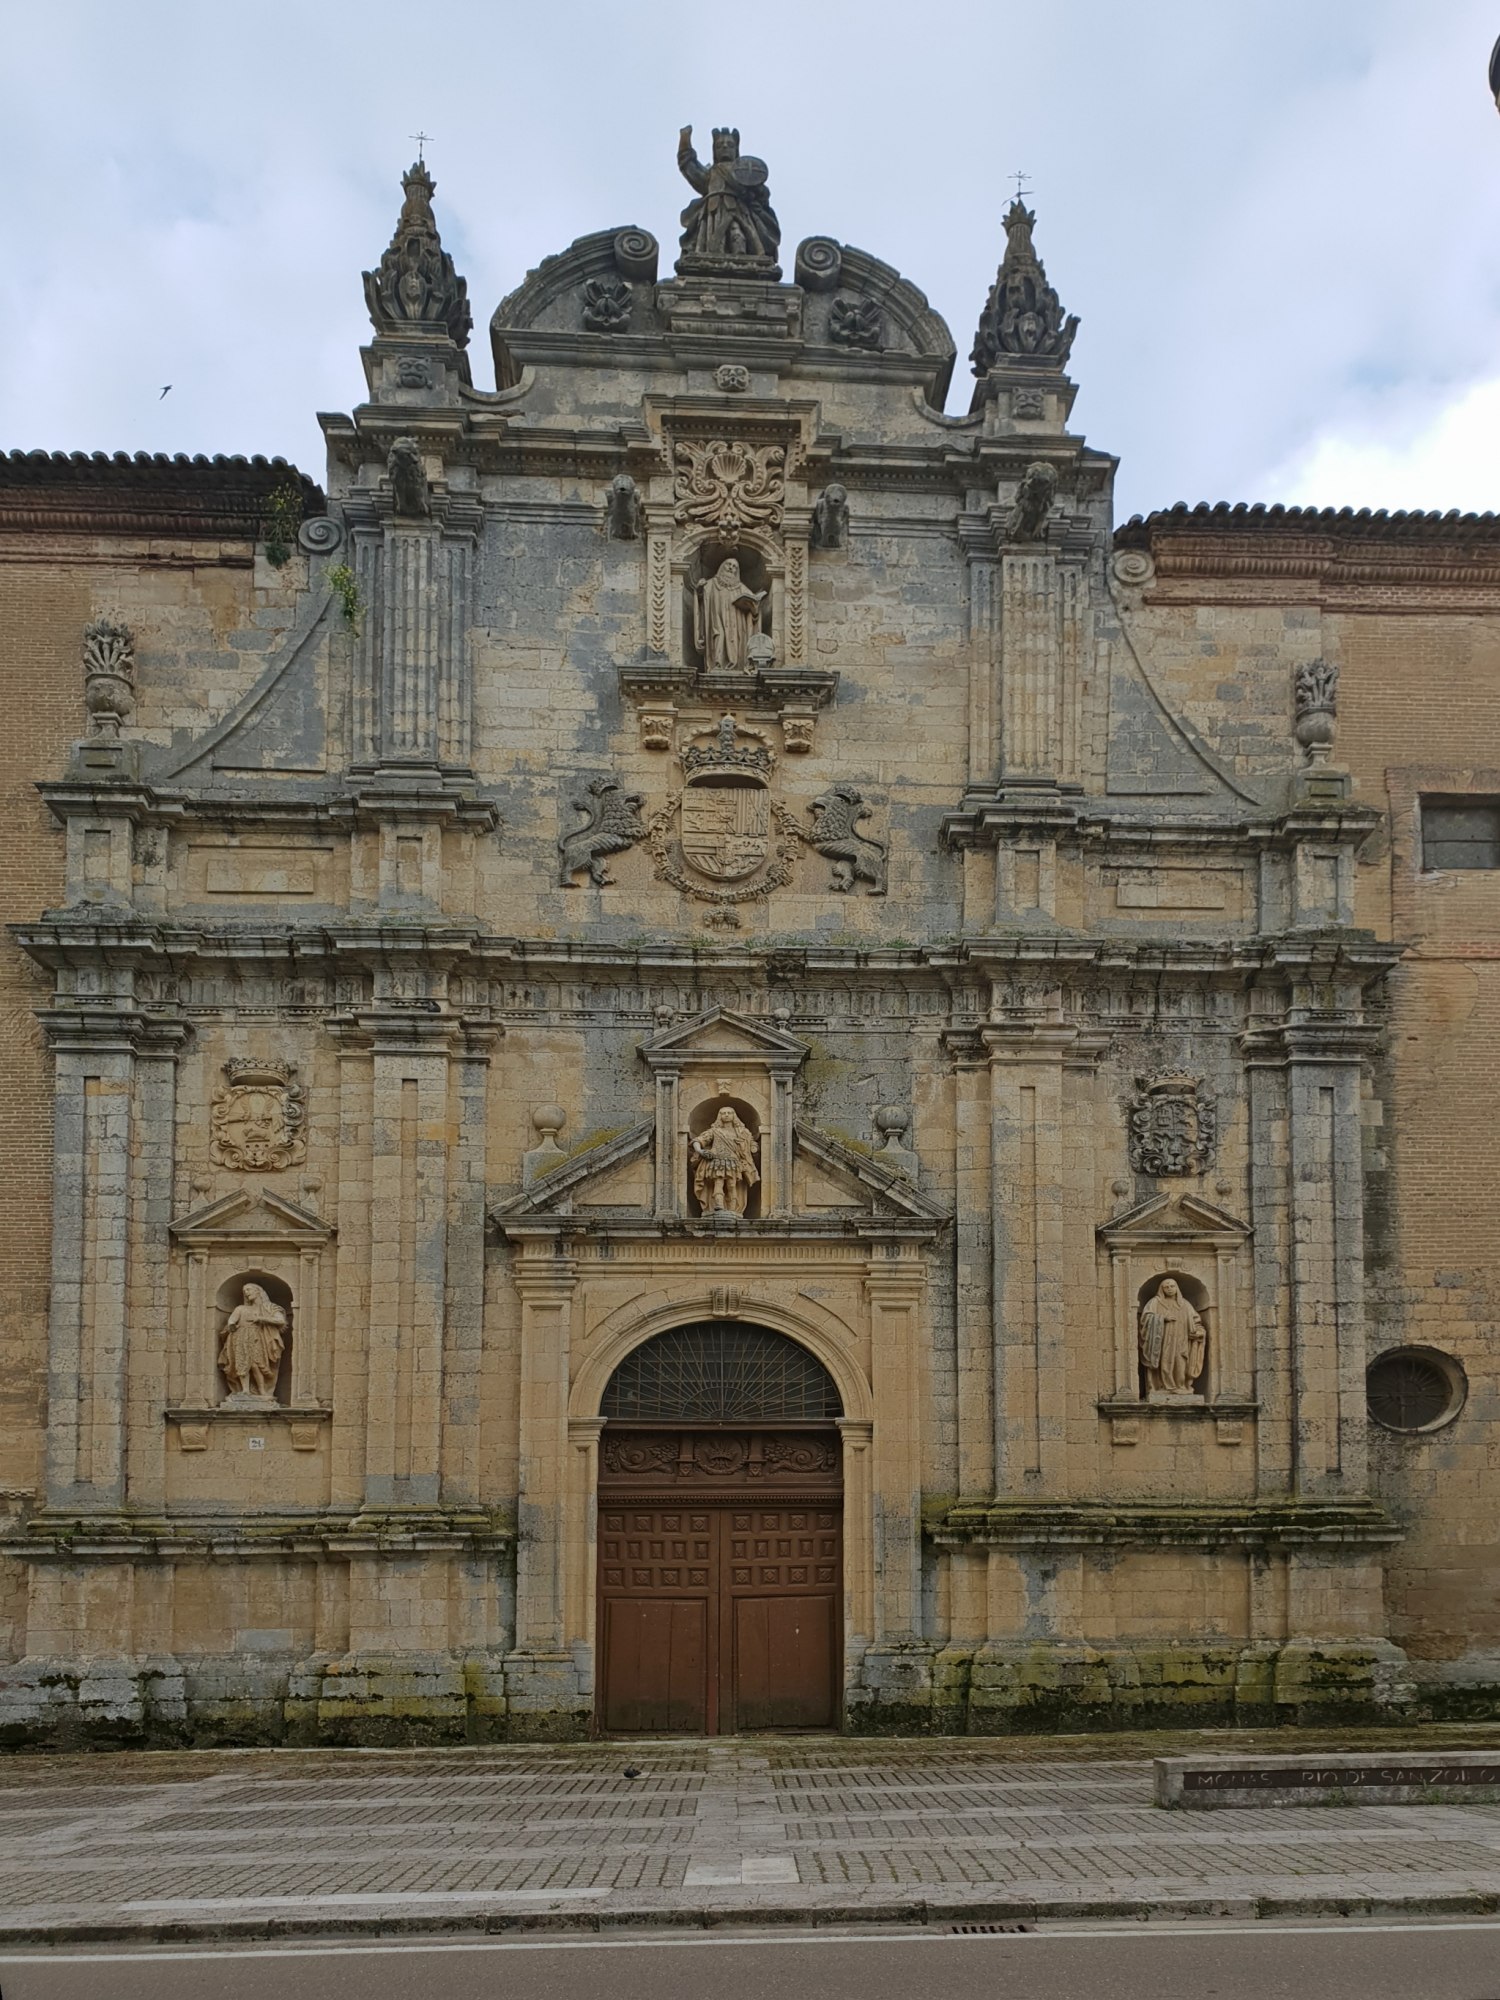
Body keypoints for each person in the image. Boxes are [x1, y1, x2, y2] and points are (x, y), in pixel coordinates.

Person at [677, 126, 780, 264]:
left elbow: (761, 192)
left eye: (730, 145)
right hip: (714, 210)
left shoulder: (742, 172)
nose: (725, 147)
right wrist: (685, 142)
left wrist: (755, 192)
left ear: (736, 149)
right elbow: (691, 169)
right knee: (713, 237)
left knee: (738, 234)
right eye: (719, 145)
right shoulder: (712, 172)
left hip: (739, 210)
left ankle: (743, 260)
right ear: (714, 151)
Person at [694, 557, 765, 672]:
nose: (731, 568)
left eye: (734, 567)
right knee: (718, 636)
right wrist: (699, 590)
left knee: (734, 641)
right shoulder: (711, 584)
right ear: (722, 566)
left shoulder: (742, 588)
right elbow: (702, 603)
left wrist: (755, 610)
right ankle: (717, 665)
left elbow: (753, 609)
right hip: (717, 620)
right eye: (729, 565)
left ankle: (737, 666)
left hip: (736, 625)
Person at [1138, 1278, 1206, 1396]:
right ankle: (1163, 1387)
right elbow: (1146, 1318)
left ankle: (1181, 1386)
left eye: (1172, 1286)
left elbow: (1196, 1321)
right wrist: (1162, 1318)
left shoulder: (1185, 1304)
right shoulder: (1155, 1302)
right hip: (1163, 1341)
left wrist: (1199, 1331)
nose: (1169, 1289)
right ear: (1162, 1289)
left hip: (1182, 1340)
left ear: (1176, 1288)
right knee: (1164, 1363)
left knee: (1181, 1363)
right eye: (1166, 1287)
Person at [220, 1282, 287, 1399]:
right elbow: (232, 1320)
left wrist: (261, 1318)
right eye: (244, 1291)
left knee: (256, 1364)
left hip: (258, 1338)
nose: (246, 1293)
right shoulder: (240, 1308)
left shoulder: (269, 1307)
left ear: (258, 1291)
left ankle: (262, 1390)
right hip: (240, 1337)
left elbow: (280, 1320)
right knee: (242, 1363)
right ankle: (245, 1390)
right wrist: (231, 1325)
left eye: (249, 1290)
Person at [691, 1105, 760, 1215]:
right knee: (718, 1182)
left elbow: (752, 1143)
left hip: (733, 1162)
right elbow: (698, 1140)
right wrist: (700, 1151)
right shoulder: (714, 1131)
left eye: (729, 1113)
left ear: (734, 1116)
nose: (726, 1115)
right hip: (717, 1161)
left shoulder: (742, 1132)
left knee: (731, 1185)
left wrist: (752, 1147)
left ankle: (732, 1210)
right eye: (723, 1113)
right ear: (720, 1116)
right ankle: (719, 1206)